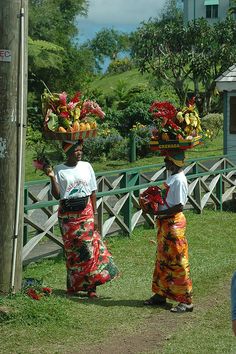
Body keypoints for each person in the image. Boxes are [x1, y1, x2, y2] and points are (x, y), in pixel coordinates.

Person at [43, 139, 119, 298]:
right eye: (76, 150)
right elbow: (57, 195)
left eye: (81, 150)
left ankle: (92, 288)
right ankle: (73, 287)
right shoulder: (59, 169)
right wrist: (51, 176)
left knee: (89, 249)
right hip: (67, 216)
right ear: (68, 152)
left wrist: (96, 216)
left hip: (86, 212)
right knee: (72, 252)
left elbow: (93, 192)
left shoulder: (86, 166)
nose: (79, 153)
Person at [144, 150, 193, 313]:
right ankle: (160, 294)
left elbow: (179, 205)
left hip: (173, 224)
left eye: (167, 160)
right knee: (163, 259)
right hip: (165, 224)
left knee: (178, 260)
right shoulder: (173, 177)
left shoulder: (179, 180)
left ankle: (186, 300)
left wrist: (156, 213)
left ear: (173, 162)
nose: (165, 163)